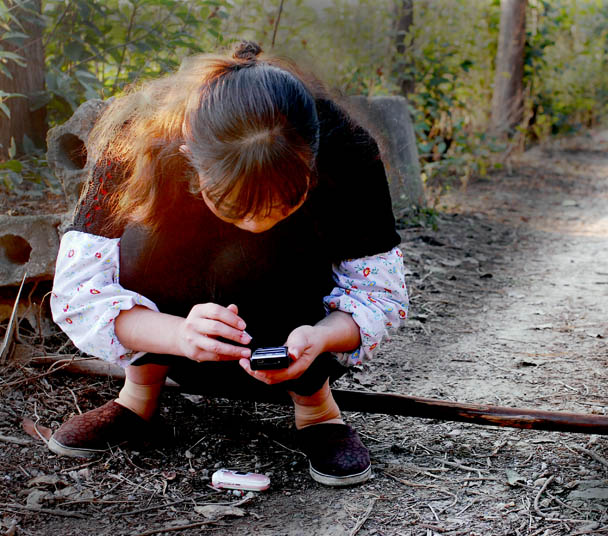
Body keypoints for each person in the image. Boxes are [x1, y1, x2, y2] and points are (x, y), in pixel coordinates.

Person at [48, 41, 409, 488]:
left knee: (269, 249)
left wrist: (321, 337)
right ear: (189, 157)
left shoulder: (347, 149)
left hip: (293, 309)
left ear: (313, 165)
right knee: (143, 227)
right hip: (171, 315)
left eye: (282, 204)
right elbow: (79, 290)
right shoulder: (136, 141)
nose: (256, 223)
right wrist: (178, 333)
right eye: (232, 205)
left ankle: (316, 408)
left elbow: (378, 291)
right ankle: (139, 393)